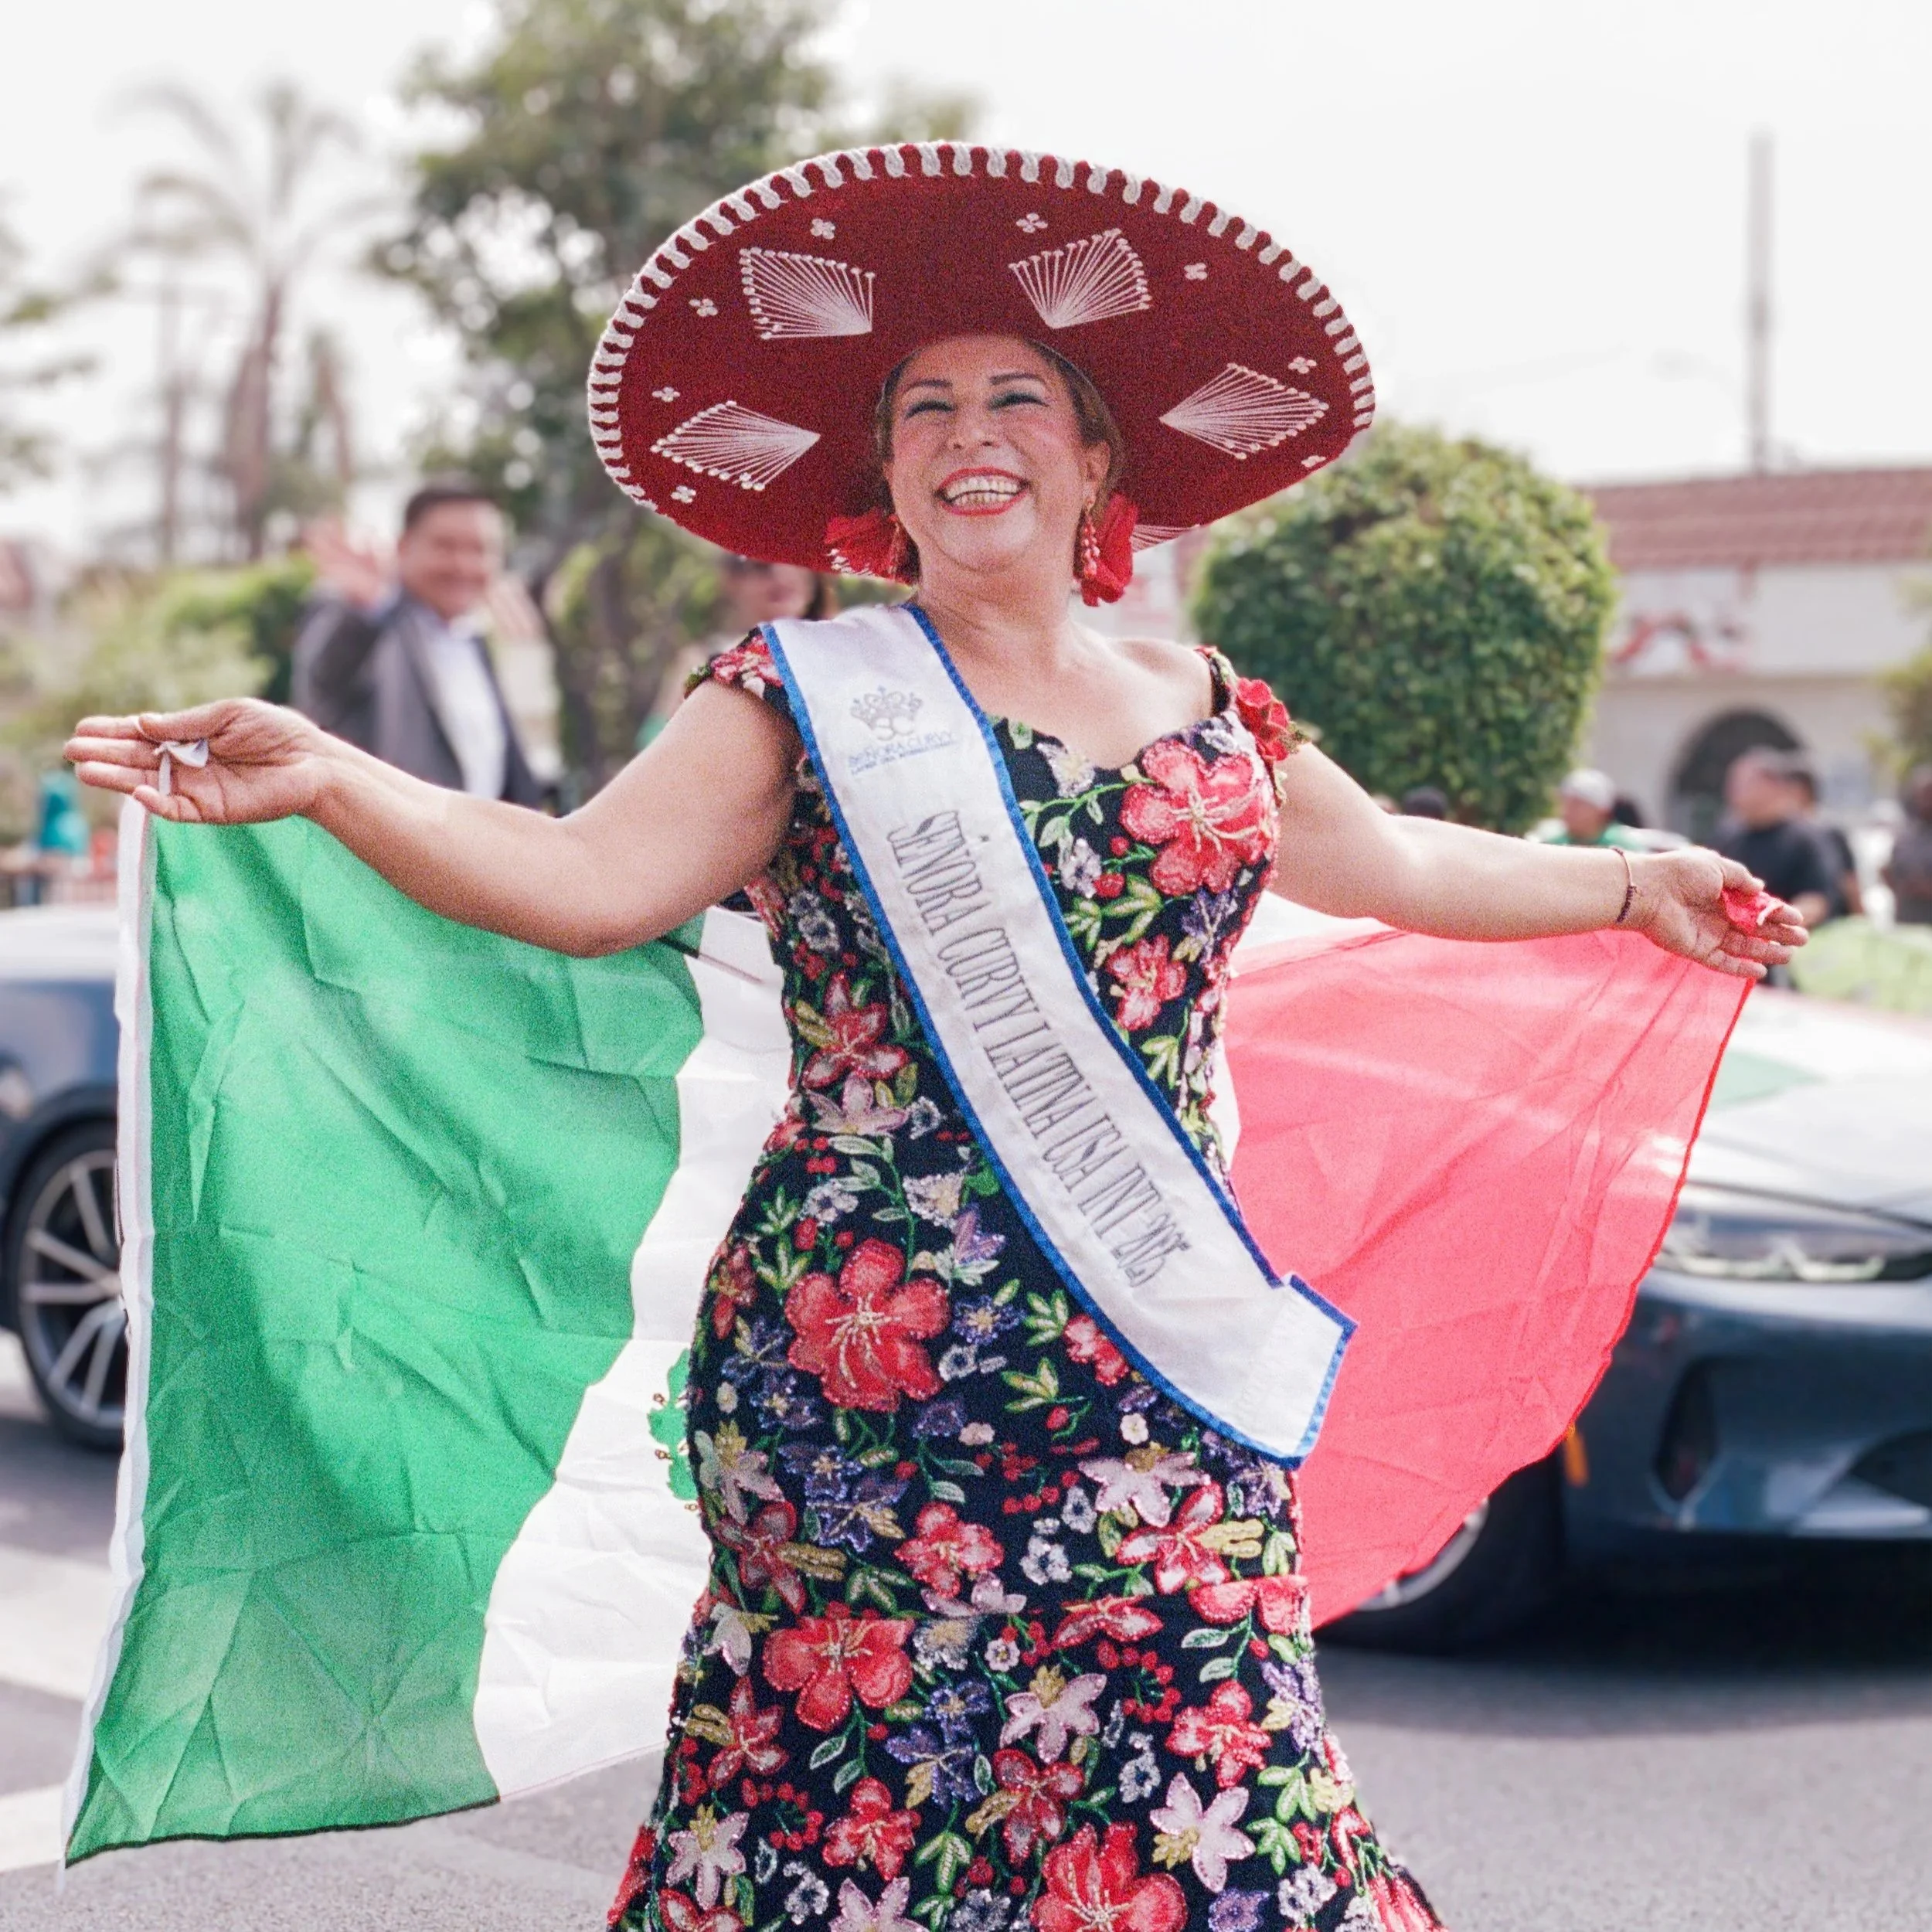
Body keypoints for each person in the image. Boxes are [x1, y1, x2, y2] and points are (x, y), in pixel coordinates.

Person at [68, 146, 1801, 1932]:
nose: (973, 434)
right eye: (926, 410)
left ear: (1097, 457)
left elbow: (1397, 864)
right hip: (865, 1364)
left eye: (1016, 398)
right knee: (858, 1813)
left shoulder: (1214, 710)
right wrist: (335, 778)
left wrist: (1629, 882)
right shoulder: (798, 699)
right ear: (884, 479)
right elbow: (581, 882)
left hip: (1153, 1353)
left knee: (1217, 1792)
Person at [292, 480, 547, 805]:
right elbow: (324, 680)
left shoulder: (475, 636)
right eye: (445, 546)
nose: (464, 565)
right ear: (403, 547)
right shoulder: (370, 621)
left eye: (480, 550)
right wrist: (369, 609)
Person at [637, 555, 833, 747]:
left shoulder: (834, 652)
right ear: (730, 580)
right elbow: (653, 741)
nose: (782, 574)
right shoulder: (701, 659)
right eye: (762, 565)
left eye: (796, 559)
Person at [1716, 748, 1836, 927]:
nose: (1732, 792)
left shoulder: (1805, 839)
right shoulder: (1727, 837)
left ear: (1771, 785)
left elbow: (1816, 901)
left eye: (1742, 784)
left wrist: (1769, 924)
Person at [1783, 759, 1863, 919]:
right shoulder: (1777, 832)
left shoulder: (1829, 831)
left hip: (1828, 921)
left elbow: (1848, 880)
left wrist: (1860, 918)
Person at [1534, 768, 1647, 850]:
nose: (1566, 811)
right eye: (1565, 803)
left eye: (1577, 804)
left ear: (1602, 810)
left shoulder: (1624, 846)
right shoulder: (1553, 845)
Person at [1884, 765, 1932, 925]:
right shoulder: (1906, 836)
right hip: (1909, 921)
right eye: (1923, 794)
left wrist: (1924, 888)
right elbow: (1892, 871)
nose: (1927, 800)